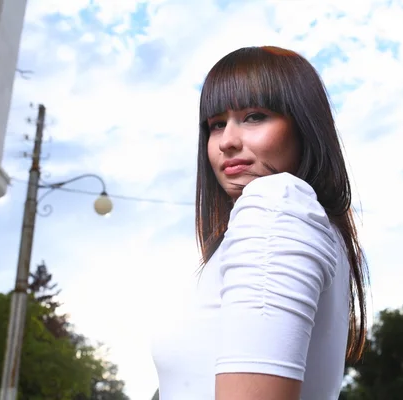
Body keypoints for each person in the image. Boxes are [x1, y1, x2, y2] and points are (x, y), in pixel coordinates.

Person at [151, 46, 369, 400]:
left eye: (254, 116)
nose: (228, 141)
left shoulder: (277, 204)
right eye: (216, 124)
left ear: (304, 126)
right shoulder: (301, 219)